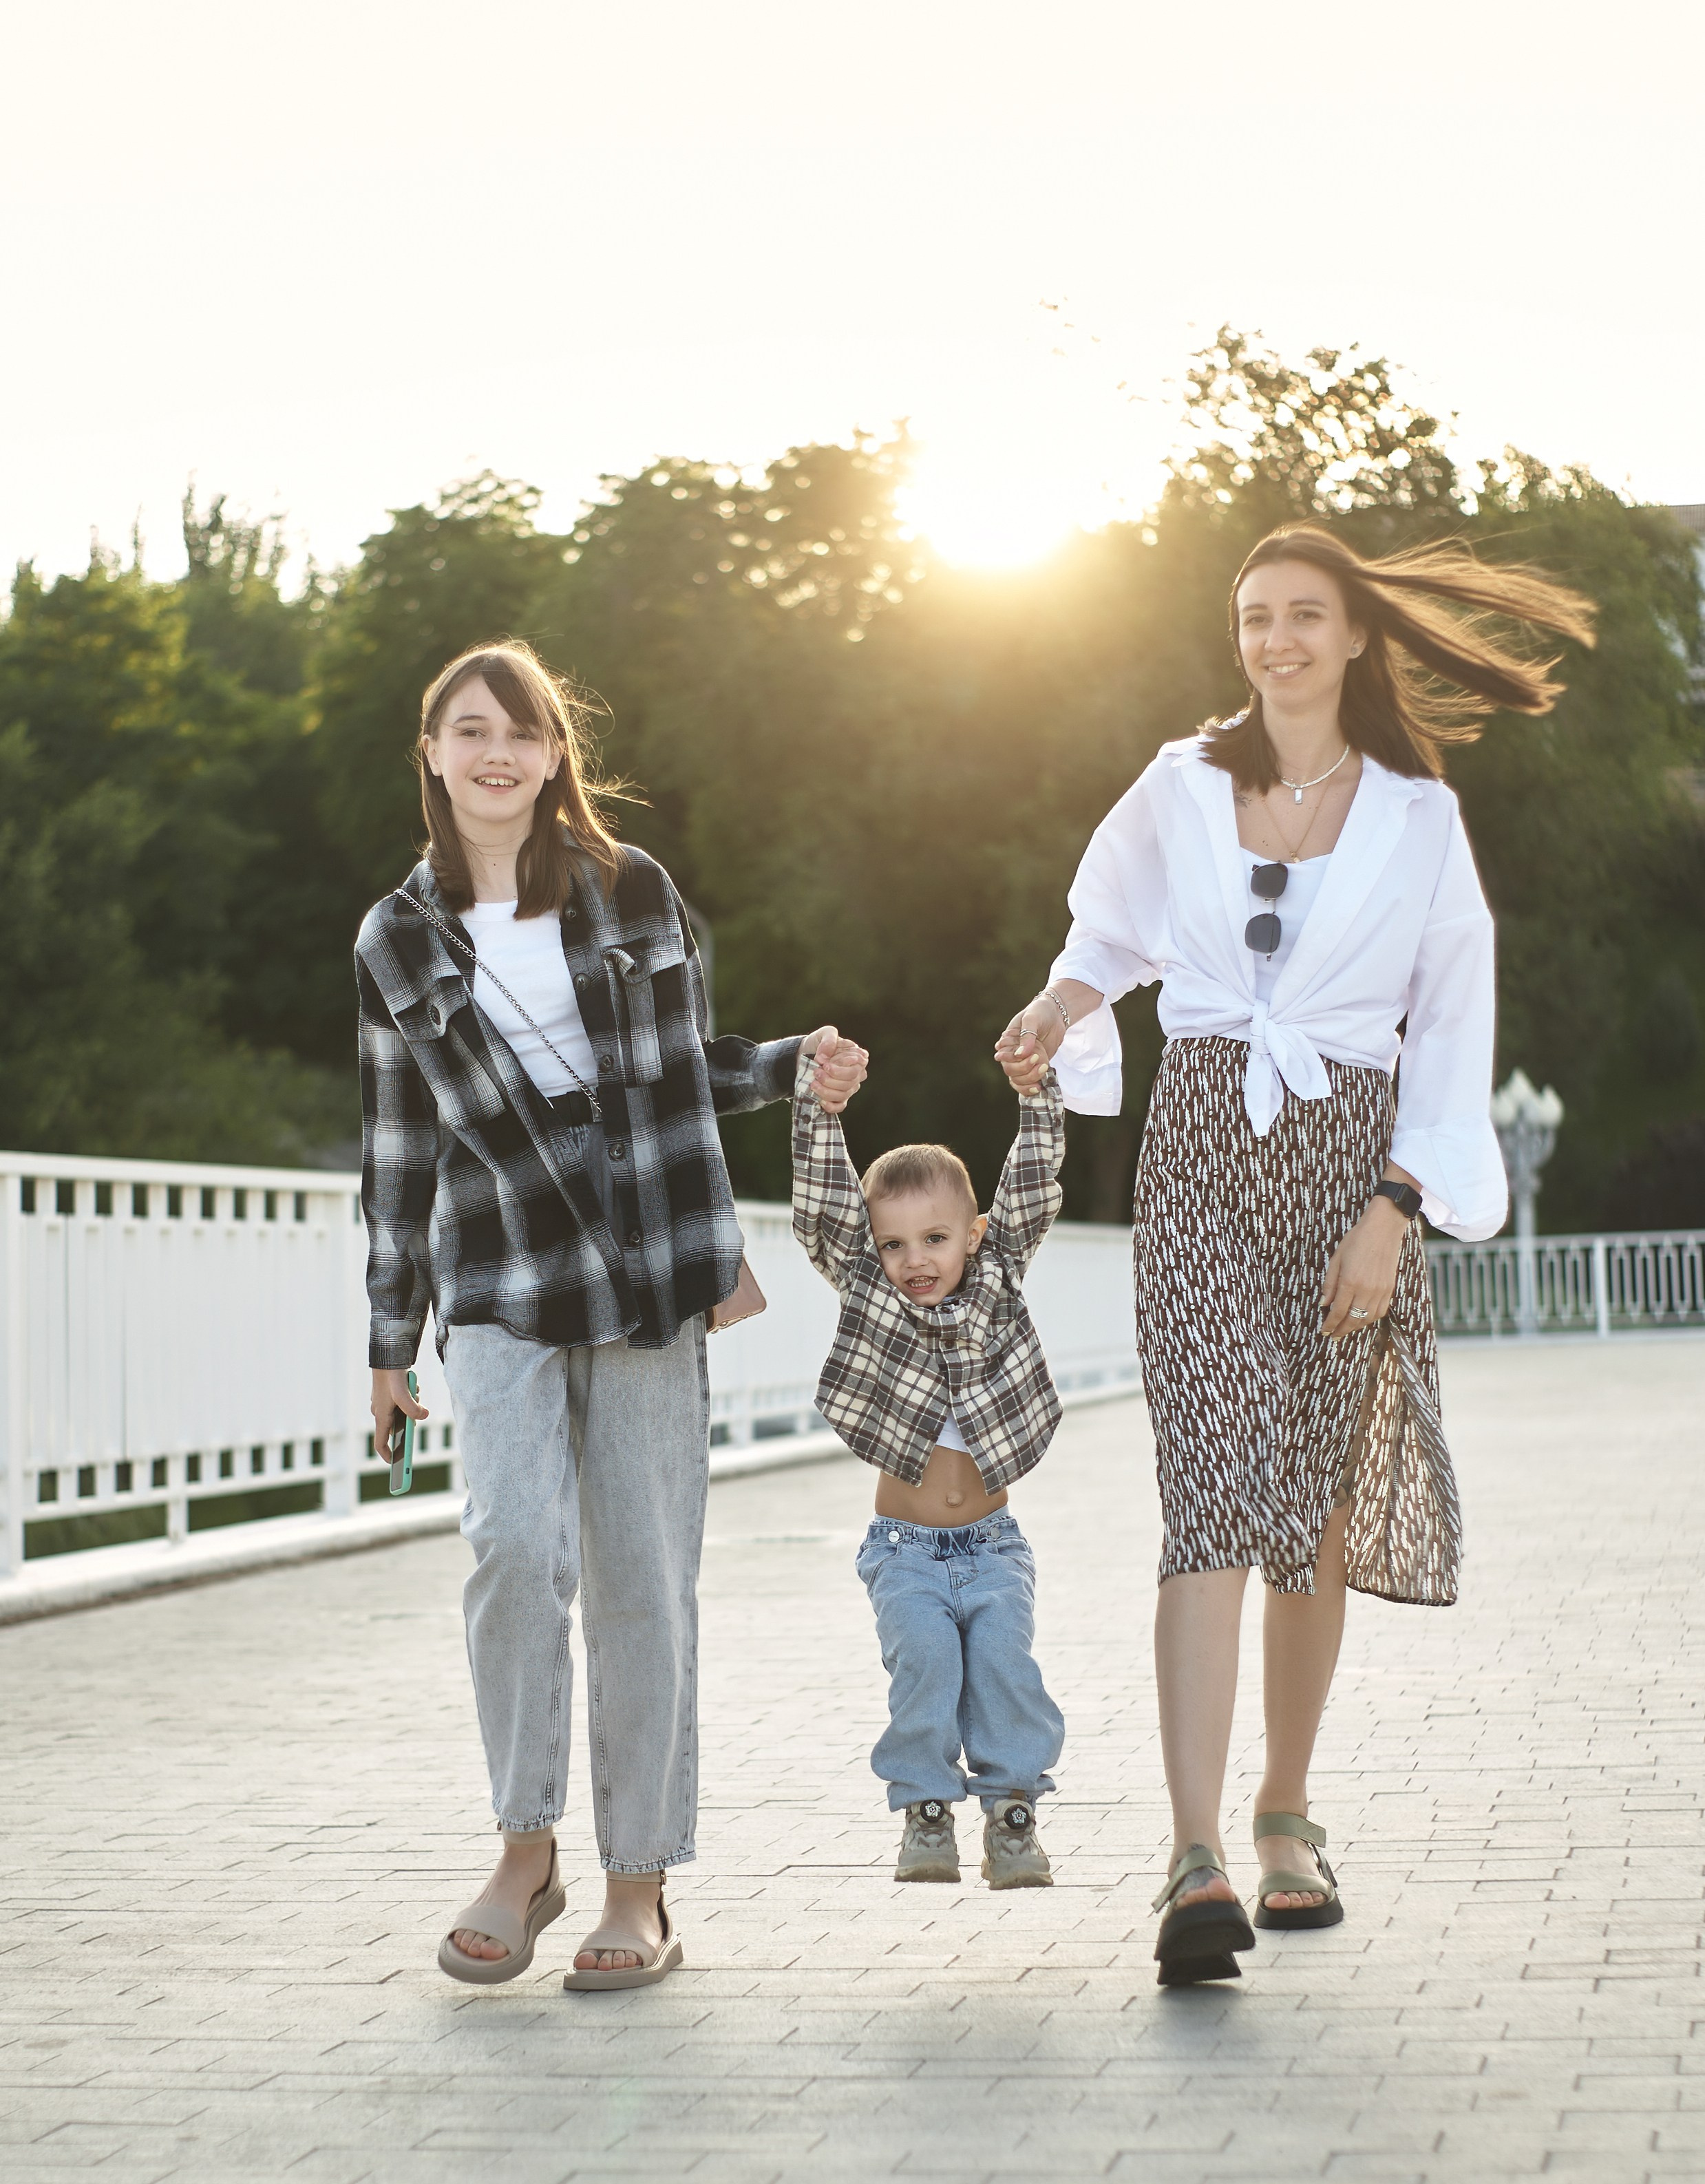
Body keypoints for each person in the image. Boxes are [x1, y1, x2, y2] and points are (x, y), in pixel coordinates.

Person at [996, 525, 1594, 1987]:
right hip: (1199, 1134)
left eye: (1300, 616)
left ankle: (1282, 1813)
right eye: (1251, 616)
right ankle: (1191, 1854)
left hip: (1348, 1161)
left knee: (1308, 1501)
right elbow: (1110, 932)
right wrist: (1057, 1001)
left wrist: (1396, 1208)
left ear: (1351, 639)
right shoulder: (1179, 782)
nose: (1272, 641)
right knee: (1205, 1480)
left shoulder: (1412, 818)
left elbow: (1449, 1024)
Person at [357, 639, 866, 1991]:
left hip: (646, 1259)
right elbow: (396, 1143)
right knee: (512, 1556)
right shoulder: (395, 937)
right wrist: (387, 1338)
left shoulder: (629, 889)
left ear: (550, 753)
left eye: (519, 731)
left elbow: (674, 1066)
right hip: (501, 1273)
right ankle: (525, 1856)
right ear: (432, 753)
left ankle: (637, 1888)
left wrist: (786, 1068)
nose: (495, 753)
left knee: (640, 1576)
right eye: (468, 730)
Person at [792, 1032, 1068, 1887]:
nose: (915, 1261)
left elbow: (1030, 1182)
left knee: (1003, 1672)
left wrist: (1037, 1093)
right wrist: (820, 1112)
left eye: (935, 1239)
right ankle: (923, 1810)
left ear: (974, 1235)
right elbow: (824, 1210)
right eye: (895, 1245)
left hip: (992, 1548)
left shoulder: (997, 1275)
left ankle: (1012, 1813)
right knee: (925, 1666)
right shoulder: (872, 1290)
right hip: (905, 1552)